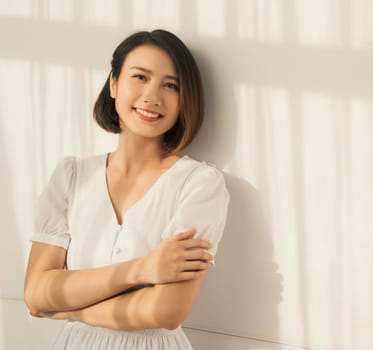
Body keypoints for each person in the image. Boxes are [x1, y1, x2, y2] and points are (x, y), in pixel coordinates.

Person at [24, 29, 229, 349]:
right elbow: (36, 294)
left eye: (170, 85)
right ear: (114, 84)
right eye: (140, 77)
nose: (152, 96)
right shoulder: (72, 175)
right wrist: (142, 269)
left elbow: (165, 310)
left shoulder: (199, 184)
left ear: (184, 100)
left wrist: (68, 309)